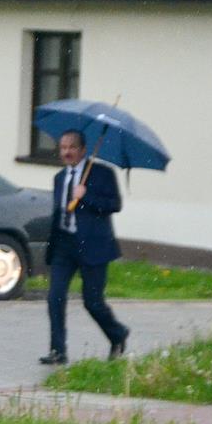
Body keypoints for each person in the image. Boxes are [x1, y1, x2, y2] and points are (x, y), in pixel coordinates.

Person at [39, 129, 129, 365]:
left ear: (83, 150)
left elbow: (115, 205)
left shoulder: (102, 174)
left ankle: (117, 334)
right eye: (63, 148)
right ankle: (58, 351)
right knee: (55, 298)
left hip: (93, 247)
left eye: (71, 147)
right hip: (64, 246)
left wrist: (85, 196)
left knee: (93, 302)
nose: (66, 152)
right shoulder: (59, 178)